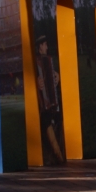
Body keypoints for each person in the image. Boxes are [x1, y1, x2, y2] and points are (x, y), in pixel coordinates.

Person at [34, 35, 65, 164]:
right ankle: (58, 155)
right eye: (45, 44)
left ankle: (61, 151)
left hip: (53, 102)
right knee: (46, 119)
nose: (47, 46)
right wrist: (37, 82)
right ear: (40, 46)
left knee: (60, 116)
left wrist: (57, 76)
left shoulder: (50, 60)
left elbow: (55, 74)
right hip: (42, 103)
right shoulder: (35, 63)